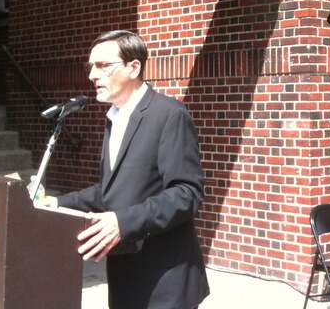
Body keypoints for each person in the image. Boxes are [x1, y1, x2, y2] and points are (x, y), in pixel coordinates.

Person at [46, 30, 209, 309]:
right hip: (125, 274)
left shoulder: (169, 115)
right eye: (91, 67)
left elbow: (186, 194)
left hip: (165, 280)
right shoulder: (115, 117)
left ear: (134, 67)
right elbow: (112, 191)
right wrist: (55, 203)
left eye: (103, 66)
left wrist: (123, 223)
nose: (92, 76)